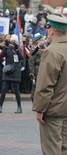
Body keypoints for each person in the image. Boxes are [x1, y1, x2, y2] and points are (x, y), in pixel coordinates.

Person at [32, 14, 67, 155]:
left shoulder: (52, 52)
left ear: (51, 31)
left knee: (52, 150)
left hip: (53, 110)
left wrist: (40, 109)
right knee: (64, 148)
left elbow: (45, 85)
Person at [0, 34, 24, 113]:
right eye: (12, 41)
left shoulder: (18, 48)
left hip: (16, 71)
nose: (13, 42)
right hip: (8, 71)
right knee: (4, 90)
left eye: (14, 41)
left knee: (16, 91)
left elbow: (22, 57)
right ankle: (0, 106)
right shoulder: (8, 48)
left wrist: (16, 48)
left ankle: (19, 107)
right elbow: (2, 55)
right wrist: (5, 47)